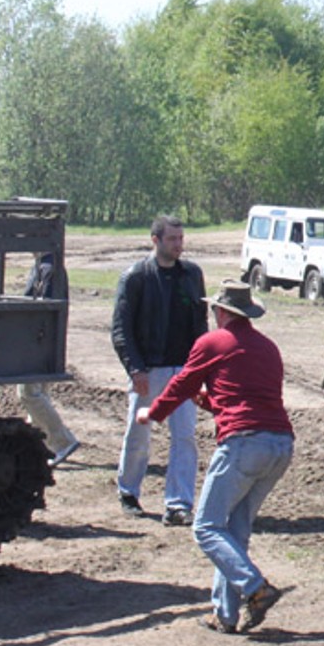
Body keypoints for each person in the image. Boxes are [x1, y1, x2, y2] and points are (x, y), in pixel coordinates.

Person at [136, 280, 293, 634]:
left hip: (243, 444)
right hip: (280, 443)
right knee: (235, 530)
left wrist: (154, 413)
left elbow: (183, 383)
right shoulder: (268, 347)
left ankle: (256, 589)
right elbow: (248, 396)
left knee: (205, 527)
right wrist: (207, 401)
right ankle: (226, 614)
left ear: (221, 312)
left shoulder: (212, 342)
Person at [110, 215, 207, 524]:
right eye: (172, 239)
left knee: (185, 437)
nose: (179, 245)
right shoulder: (135, 277)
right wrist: (136, 369)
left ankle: (179, 504)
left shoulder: (192, 274)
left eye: (181, 239)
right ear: (155, 240)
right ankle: (128, 491)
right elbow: (121, 329)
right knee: (138, 433)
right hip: (148, 370)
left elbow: (201, 325)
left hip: (184, 371)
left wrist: (200, 369)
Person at [17, 252, 80, 466]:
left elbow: (46, 310)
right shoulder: (45, 266)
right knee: (38, 395)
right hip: (41, 342)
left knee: (29, 394)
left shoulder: (49, 269)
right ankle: (38, 446)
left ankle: (62, 441)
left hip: (38, 343)